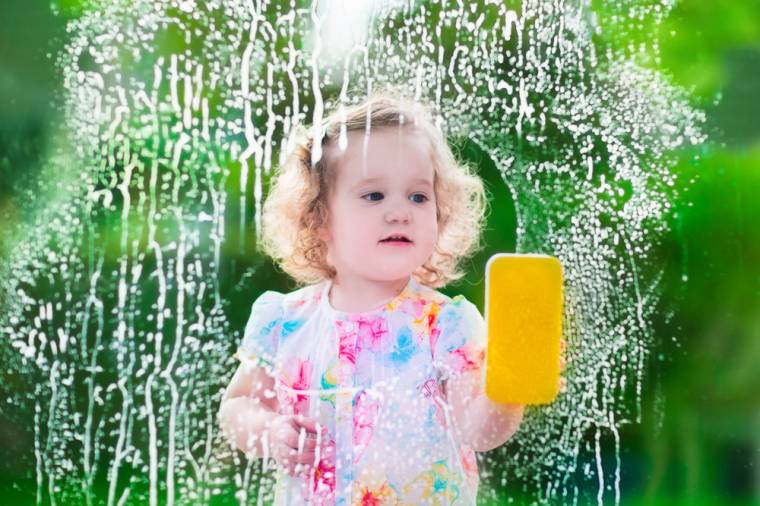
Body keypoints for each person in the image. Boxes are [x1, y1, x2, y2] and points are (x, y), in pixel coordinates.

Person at [217, 89, 525, 505]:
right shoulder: (285, 321)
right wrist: (269, 432)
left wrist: (510, 384)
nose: (400, 211)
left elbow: (478, 432)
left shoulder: (445, 324)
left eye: (418, 196)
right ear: (319, 218)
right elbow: (237, 406)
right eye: (374, 195)